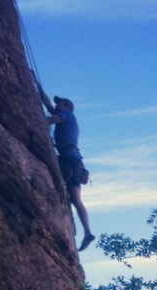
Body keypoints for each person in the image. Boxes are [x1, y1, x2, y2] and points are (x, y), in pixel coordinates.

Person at [33, 76, 95, 252]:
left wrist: (37, 121)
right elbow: (48, 105)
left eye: (60, 104)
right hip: (76, 163)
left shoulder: (67, 114)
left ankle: (57, 218)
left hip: (68, 160)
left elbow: (53, 119)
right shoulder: (67, 115)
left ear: (66, 106)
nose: (57, 106)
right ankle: (88, 232)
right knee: (76, 200)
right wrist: (38, 85)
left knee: (56, 185)